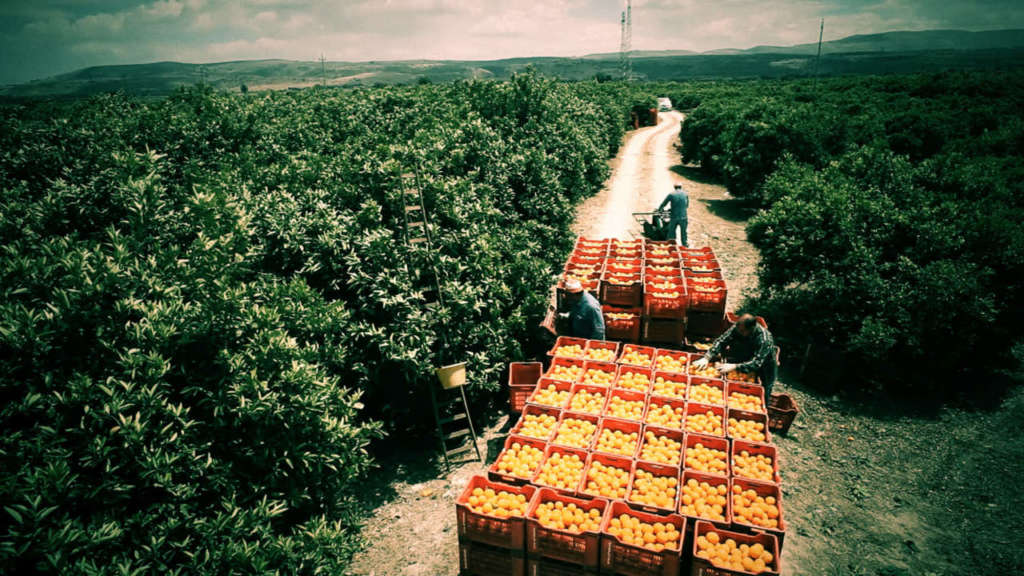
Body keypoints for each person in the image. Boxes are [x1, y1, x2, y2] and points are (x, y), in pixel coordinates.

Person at [692, 313, 777, 398]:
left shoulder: (764, 340)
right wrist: (707, 357)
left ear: (751, 329)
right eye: (738, 329)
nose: (738, 332)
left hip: (764, 367)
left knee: (763, 391)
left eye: (742, 331)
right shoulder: (738, 328)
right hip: (745, 357)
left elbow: (757, 363)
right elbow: (722, 341)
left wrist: (735, 366)